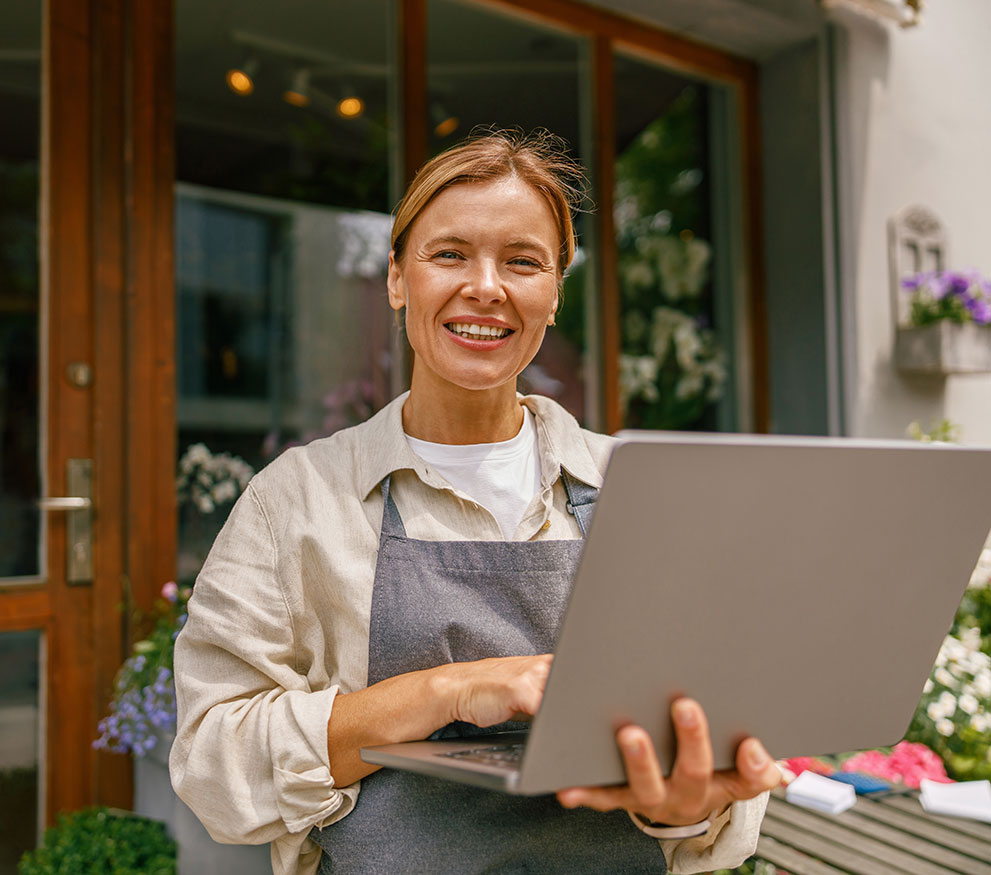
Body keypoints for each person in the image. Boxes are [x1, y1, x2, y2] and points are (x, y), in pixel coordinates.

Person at [171, 129, 780, 875]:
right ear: (398, 278)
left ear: (555, 293)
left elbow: (717, 731)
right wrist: (448, 689)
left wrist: (681, 801)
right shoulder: (293, 502)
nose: (485, 287)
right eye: (449, 253)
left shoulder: (639, 487)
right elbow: (212, 760)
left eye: (522, 261)